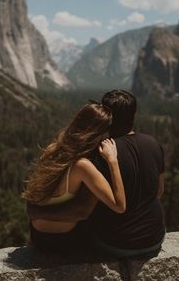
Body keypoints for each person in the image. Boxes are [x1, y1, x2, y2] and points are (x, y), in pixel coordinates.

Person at [27, 90, 165, 258]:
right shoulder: (153, 144)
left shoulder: (71, 153)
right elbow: (158, 192)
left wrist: (38, 213)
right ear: (134, 114)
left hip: (108, 243)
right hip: (155, 239)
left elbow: (82, 210)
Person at [22, 102, 126, 251]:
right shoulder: (82, 166)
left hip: (37, 234)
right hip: (64, 240)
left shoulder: (52, 150)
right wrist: (113, 161)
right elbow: (119, 206)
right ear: (99, 134)